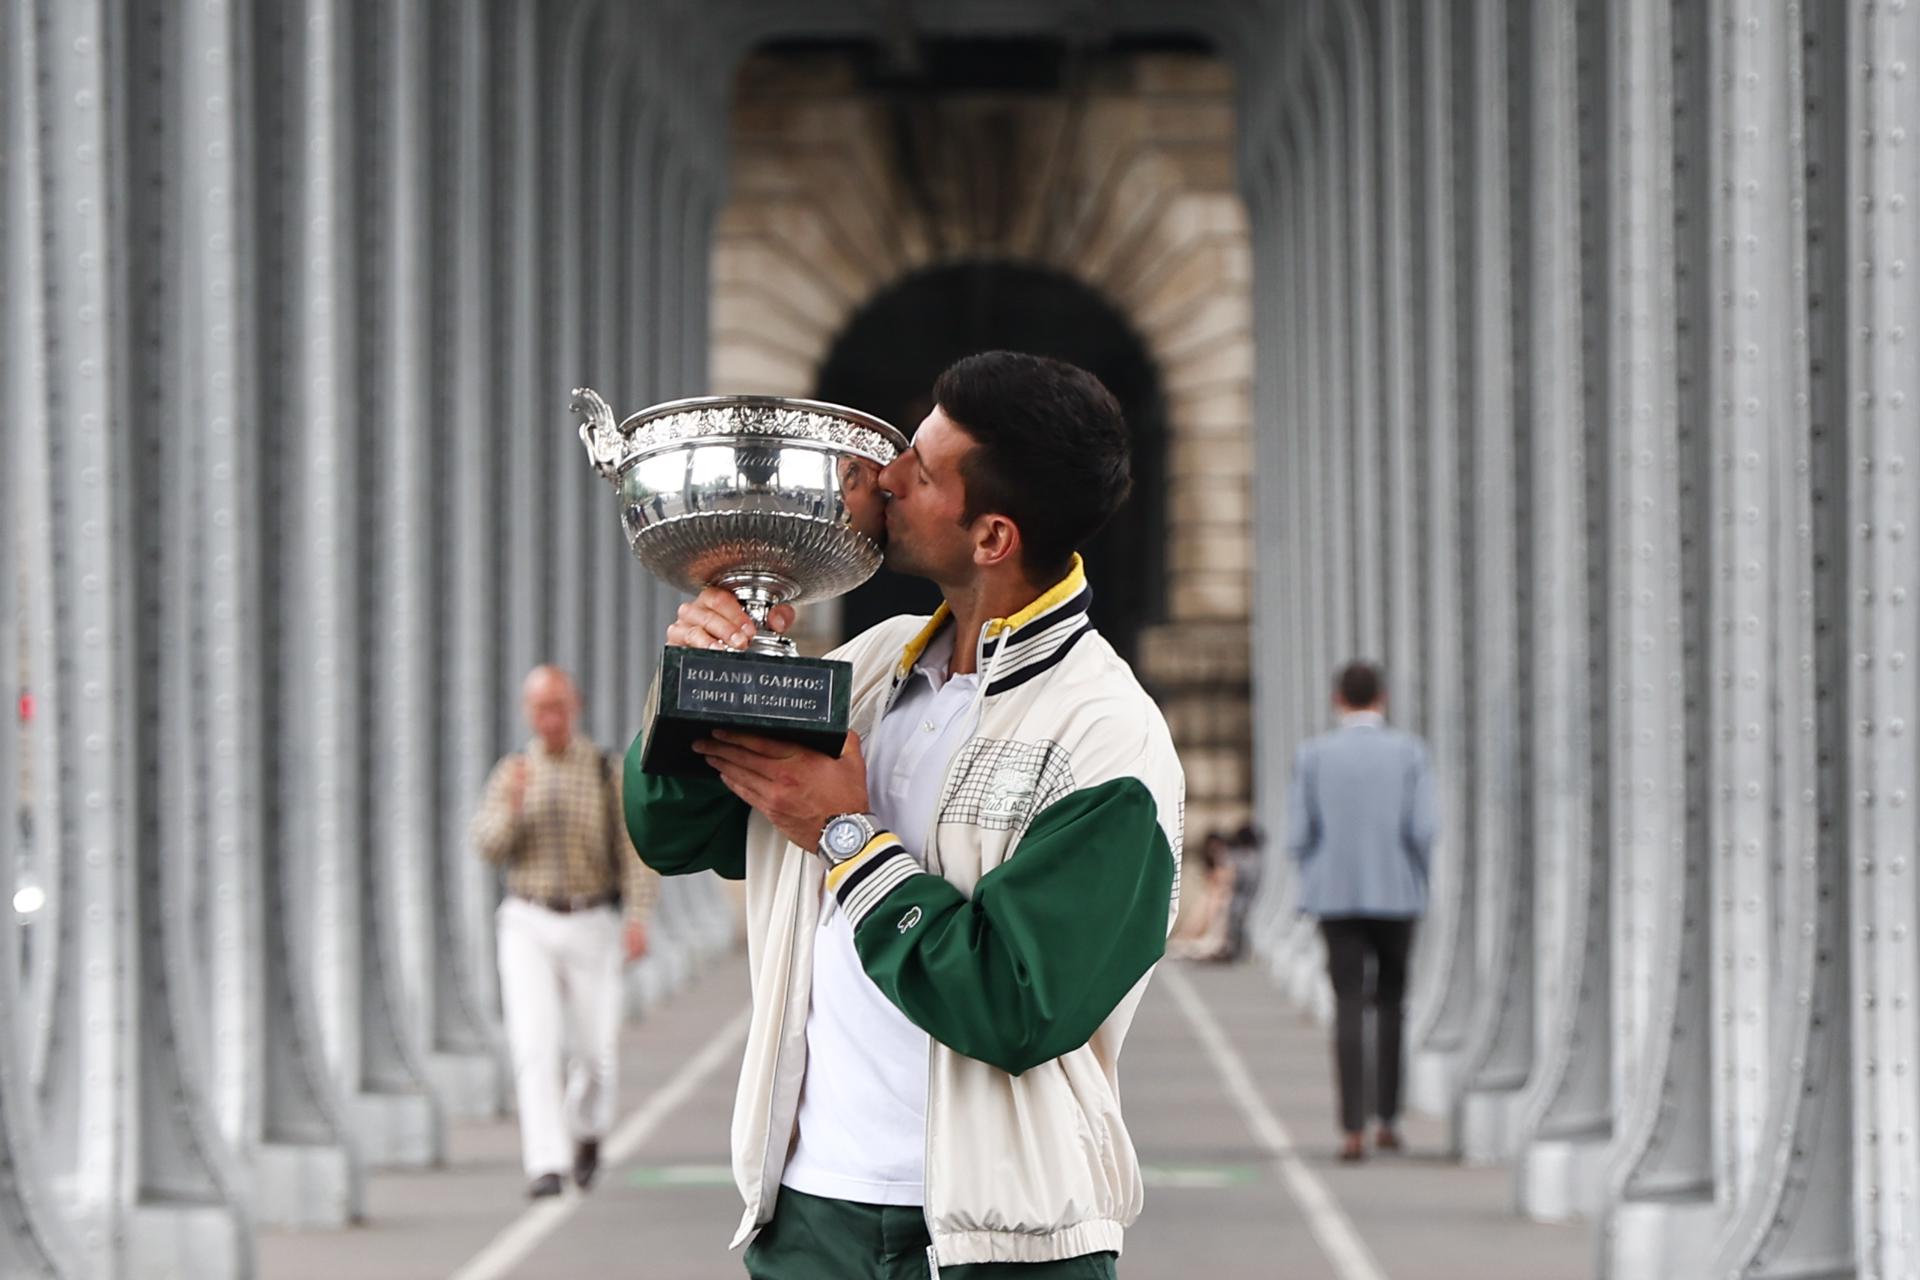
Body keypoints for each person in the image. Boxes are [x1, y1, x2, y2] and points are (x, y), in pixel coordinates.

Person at [628, 351, 1185, 1277]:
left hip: (1003, 1245)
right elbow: (679, 834)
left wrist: (847, 838)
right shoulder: (871, 668)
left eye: (920, 472)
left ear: (992, 536)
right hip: (808, 1218)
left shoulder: (1108, 739)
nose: (884, 477)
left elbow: (1015, 1005)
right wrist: (698, 678)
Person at [471, 665, 660, 1198]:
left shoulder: (604, 771)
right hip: (527, 917)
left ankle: (587, 1130)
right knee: (535, 1045)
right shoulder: (512, 773)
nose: (548, 718)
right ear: (528, 713)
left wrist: (638, 918)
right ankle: (545, 1163)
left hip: (591, 917)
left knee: (594, 1051)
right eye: (539, 708)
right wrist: (511, 808)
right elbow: (487, 847)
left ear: (573, 706)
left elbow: (633, 851)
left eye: (557, 706)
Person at [1286, 661, 1437, 1162]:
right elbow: (1422, 829)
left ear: (1338, 700)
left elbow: (1298, 836)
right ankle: (1388, 1119)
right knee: (1392, 1003)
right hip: (1396, 895)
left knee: (1348, 1003)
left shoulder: (1313, 756)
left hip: (1336, 896)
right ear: (1383, 698)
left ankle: (1351, 1127)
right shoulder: (1410, 754)